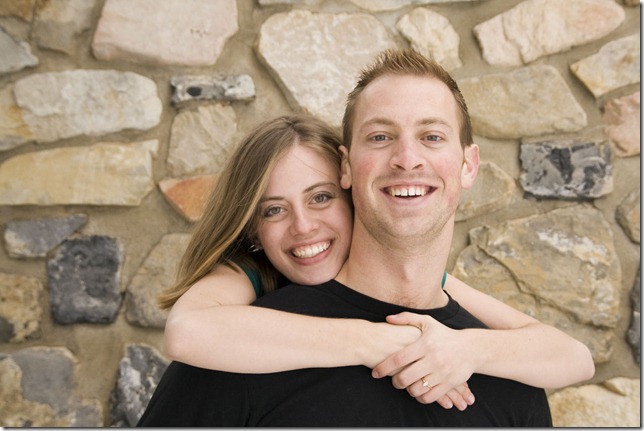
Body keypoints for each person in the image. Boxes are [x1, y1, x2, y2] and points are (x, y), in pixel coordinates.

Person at [138, 49, 594, 427]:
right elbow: (188, 330)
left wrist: (471, 347)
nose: (407, 158)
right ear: (347, 166)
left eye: (432, 136)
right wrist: (387, 341)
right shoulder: (239, 350)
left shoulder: (509, 374)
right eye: (380, 137)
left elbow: (574, 357)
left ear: (468, 165)